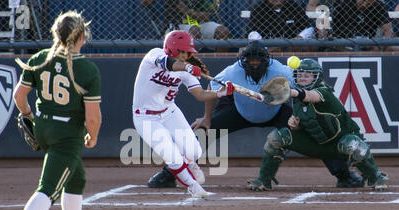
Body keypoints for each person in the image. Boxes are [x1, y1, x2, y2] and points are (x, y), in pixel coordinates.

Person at [147, 41, 364, 189]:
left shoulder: (282, 71)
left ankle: (343, 176)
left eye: (258, 61)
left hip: (277, 112)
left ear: (266, 61)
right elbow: (212, 89)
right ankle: (170, 174)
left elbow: (302, 92)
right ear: (243, 61)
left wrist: (299, 117)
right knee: (202, 134)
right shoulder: (232, 71)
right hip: (240, 111)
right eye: (250, 61)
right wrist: (207, 118)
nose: (254, 64)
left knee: (316, 131)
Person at [4, 11, 102, 210]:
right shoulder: (86, 69)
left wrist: (29, 117)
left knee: (76, 178)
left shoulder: (39, 58)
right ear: (81, 36)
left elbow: (19, 97)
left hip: (44, 128)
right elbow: (93, 118)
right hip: (67, 135)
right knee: (48, 188)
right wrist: (93, 136)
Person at [247, 58, 389, 191]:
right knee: (276, 137)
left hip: (338, 145)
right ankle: (263, 180)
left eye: (307, 75)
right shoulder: (295, 99)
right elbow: (304, 124)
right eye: (299, 74)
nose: (302, 78)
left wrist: (291, 92)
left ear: (316, 77)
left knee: (353, 144)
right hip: (315, 144)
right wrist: (295, 125)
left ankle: (375, 177)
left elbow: (310, 96)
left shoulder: (324, 91)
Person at [133, 30, 235, 197]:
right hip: (145, 116)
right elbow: (168, 63)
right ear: (172, 48)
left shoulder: (187, 70)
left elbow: (200, 94)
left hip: (169, 112)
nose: (186, 55)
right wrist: (187, 67)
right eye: (182, 51)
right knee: (173, 157)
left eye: (188, 52)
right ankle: (193, 186)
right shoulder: (155, 55)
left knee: (194, 152)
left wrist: (221, 93)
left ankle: (190, 164)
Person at [141, 0, 231, 41]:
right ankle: (193, 64)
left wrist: (187, 12)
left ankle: (218, 63)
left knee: (223, 31)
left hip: (199, 24)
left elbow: (206, 16)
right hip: (177, 25)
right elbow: (144, 2)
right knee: (194, 30)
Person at [247, 0, 315, 41]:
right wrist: (263, 46)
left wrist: (299, 38)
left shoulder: (293, 6)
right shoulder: (259, 8)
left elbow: (309, 28)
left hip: (290, 45)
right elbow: (252, 32)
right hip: (265, 45)